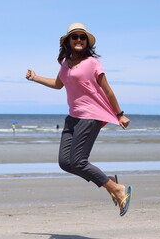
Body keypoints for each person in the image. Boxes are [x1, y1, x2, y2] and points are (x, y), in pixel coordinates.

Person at [26, 23, 131, 216]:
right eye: (75, 37)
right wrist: (36, 78)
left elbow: (108, 91)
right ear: (68, 41)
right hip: (73, 117)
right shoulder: (65, 63)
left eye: (82, 37)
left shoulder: (92, 63)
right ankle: (108, 181)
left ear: (87, 42)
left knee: (79, 161)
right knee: (65, 162)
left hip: (91, 116)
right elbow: (59, 84)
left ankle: (116, 189)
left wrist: (119, 114)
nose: (79, 40)